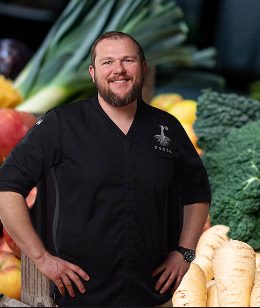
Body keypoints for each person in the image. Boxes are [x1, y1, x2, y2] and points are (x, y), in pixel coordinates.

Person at [0, 31, 211, 306]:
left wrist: (185, 252)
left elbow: (197, 191)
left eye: (128, 60)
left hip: (153, 298)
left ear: (143, 68)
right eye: (107, 62)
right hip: (78, 298)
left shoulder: (167, 128)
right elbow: (7, 187)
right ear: (92, 72)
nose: (118, 70)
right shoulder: (61, 124)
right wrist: (41, 259)